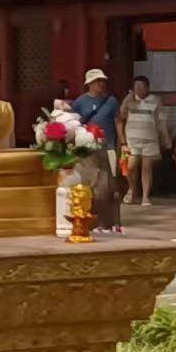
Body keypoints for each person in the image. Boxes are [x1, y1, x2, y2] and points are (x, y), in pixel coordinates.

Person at [72, 68, 123, 234]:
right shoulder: (80, 102)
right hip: (89, 149)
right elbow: (75, 124)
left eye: (102, 81)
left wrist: (123, 142)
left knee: (110, 184)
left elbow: (118, 122)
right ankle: (92, 217)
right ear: (89, 84)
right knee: (92, 184)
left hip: (108, 146)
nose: (101, 84)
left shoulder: (111, 101)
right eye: (97, 81)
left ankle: (113, 220)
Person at [119, 75, 169, 207]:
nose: (138, 89)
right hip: (132, 140)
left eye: (141, 86)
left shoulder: (156, 100)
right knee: (130, 167)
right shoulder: (130, 100)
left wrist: (165, 139)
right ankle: (131, 189)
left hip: (150, 140)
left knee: (147, 168)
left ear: (147, 88)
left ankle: (145, 196)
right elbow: (121, 117)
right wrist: (126, 100)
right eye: (136, 86)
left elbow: (161, 121)